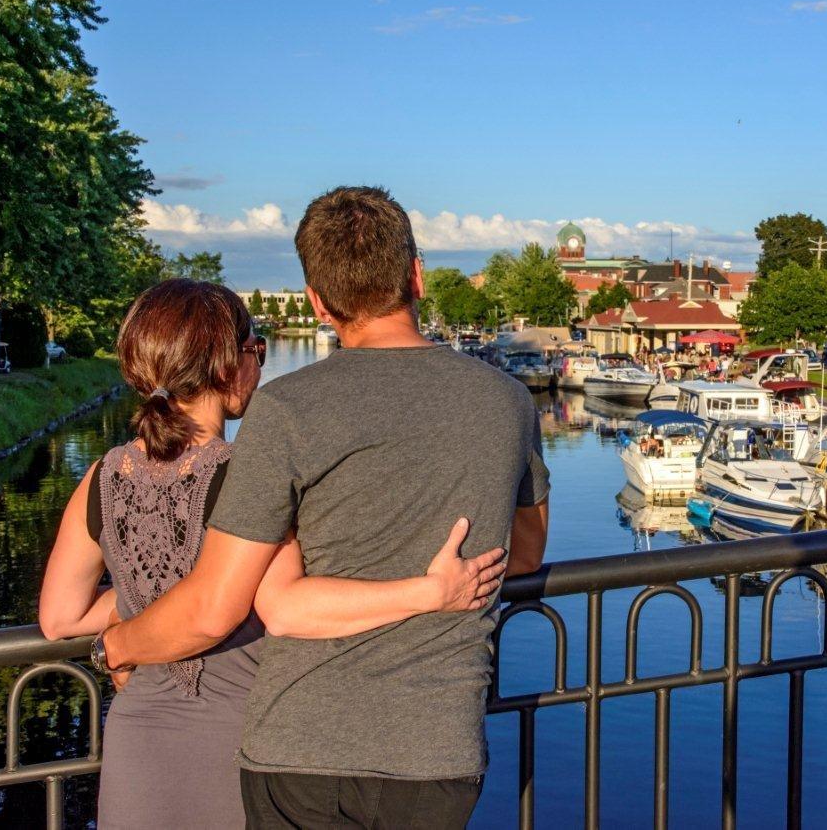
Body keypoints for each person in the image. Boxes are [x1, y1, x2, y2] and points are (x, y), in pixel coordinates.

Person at [96, 187, 550, 828]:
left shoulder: (285, 410)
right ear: (416, 278)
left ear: (317, 300)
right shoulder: (509, 402)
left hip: (296, 748)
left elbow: (239, 603)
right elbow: (525, 551)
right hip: (433, 749)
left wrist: (114, 644)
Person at [38, 279, 504, 829]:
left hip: (137, 740)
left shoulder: (102, 477)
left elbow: (59, 617)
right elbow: (277, 601)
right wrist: (431, 590)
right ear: (225, 366)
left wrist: (139, 606)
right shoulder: (245, 476)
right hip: (236, 739)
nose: (259, 368)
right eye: (255, 352)